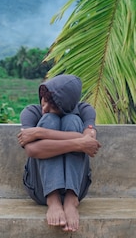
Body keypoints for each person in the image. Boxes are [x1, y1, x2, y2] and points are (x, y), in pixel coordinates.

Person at [17, 74, 101, 232]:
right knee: (49, 119)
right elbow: (32, 150)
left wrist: (40, 133)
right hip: (40, 188)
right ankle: (53, 199)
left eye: (53, 106)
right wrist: (78, 142)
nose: (44, 108)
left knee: (72, 121)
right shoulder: (31, 112)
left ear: (67, 105)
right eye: (44, 100)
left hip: (77, 188)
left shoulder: (84, 110)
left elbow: (90, 141)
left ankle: (71, 200)